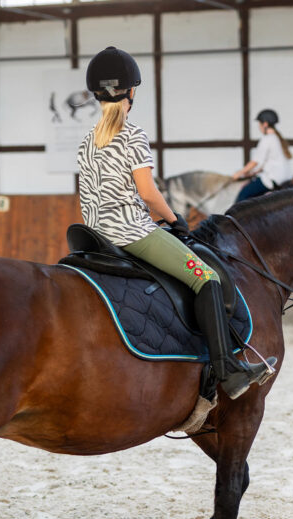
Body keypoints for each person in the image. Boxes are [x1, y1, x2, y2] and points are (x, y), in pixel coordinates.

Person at [78, 46, 275, 399]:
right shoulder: (132, 133)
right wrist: (174, 219)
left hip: (94, 234)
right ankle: (228, 370)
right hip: (131, 232)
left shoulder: (87, 140)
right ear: (132, 91)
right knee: (207, 278)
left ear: (95, 94)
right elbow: (148, 192)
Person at [233, 109, 293, 203]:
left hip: (273, 179)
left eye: (259, 124)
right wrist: (252, 173)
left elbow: (255, 162)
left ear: (265, 124)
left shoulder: (267, 139)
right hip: (284, 179)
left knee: (243, 195)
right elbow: (266, 163)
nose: (259, 127)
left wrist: (238, 173)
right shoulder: (277, 138)